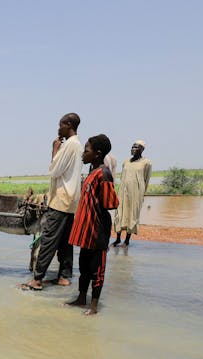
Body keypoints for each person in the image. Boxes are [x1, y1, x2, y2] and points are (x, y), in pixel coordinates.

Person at [20, 113, 82, 291]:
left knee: (49, 239)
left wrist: (54, 149)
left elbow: (54, 170)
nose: (58, 129)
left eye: (60, 125)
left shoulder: (70, 145)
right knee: (65, 241)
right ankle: (64, 276)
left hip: (60, 200)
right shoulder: (77, 145)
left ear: (68, 124)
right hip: (71, 202)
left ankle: (37, 279)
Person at [65, 135, 119, 315]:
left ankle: (93, 307)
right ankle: (81, 298)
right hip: (86, 231)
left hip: (97, 231)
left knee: (97, 270)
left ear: (97, 153)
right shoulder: (92, 172)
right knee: (84, 268)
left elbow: (110, 203)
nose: (83, 153)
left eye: (86, 150)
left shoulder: (103, 174)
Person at [112, 140, 152, 247]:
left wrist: (141, 194)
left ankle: (127, 241)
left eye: (136, 147)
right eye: (132, 147)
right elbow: (122, 178)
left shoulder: (146, 163)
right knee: (119, 213)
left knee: (132, 215)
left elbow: (146, 179)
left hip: (136, 193)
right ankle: (118, 239)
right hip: (123, 192)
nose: (133, 149)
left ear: (142, 149)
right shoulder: (126, 162)